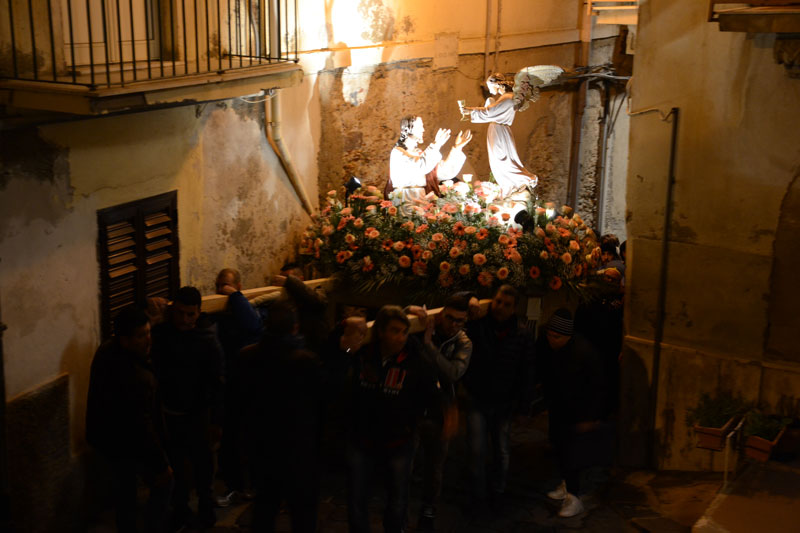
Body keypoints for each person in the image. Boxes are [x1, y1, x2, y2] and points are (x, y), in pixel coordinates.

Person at [333, 305, 439, 533]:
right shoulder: (362, 352)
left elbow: (430, 390)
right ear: (380, 331)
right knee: (356, 498)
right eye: (395, 331)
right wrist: (345, 342)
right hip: (361, 439)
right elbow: (339, 357)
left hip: (398, 441)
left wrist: (424, 419)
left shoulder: (414, 357)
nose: (401, 337)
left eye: (404, 332)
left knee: (397, 500)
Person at [85, 307, 172, 533]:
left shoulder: (108, 350)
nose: (149, 339)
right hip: (127, 444)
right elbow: (142, 425)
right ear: (124, 340)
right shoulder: (135, 376)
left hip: (109, 440)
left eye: (148, 332)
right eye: (141, 335)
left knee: (125, 497)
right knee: (159, 485)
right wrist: (160, 464)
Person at [243, 299, 326, 533]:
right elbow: (322, 404)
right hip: (299, 451)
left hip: (262, 448)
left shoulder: (248, 357)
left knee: (264, 508)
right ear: (295, 328)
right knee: (303, 515)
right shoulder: (306, 361)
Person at [151, 286, 225, 529]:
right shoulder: (162, 334)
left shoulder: (207, 340)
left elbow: (218, 382)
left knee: (202, 463)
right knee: (177, 463)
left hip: (198, 413)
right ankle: (180, 508)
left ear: (198, 313)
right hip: (170, 413)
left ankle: (205, 506)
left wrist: (216, 420)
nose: (184, 319)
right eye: (180, 313)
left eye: (190, 314)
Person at [461, 285, 535, 510]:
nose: (500, 307)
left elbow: (527, 373)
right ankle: (478, 496)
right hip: (478, 398)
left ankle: (498, 491)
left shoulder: (522, 334)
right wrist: (469, 297)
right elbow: (456, 304)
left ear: (514, 309)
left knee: (501, 450)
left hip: (504, 402)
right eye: (498, 301)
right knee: (476, 450)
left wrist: (524, 408)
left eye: (506, 304)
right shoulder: (478, 326)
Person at [405, 294, 473, 531]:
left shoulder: (463, 342)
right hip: (415, 404)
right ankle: (400, 510)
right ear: (442, 314)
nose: (453, 324)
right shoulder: (428, 326)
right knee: (406, 461)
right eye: (450, 318)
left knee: (435, 465)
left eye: (459, 321)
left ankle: (428, 511)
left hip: (442, 408)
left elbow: (453, 372)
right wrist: (409, 309)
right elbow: (396, 323)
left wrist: (429, 346)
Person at [537, 309, 612, 518]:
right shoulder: (551, 346)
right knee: (560, 447)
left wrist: (591, 417)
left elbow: (598, 387)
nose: (551, 340)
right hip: (560, 407)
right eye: (549, 335)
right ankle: (566, 484)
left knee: (573, 453)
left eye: (556, 337)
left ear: (567, 336)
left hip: (580, 411)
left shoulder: (584, 353)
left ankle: (574, 496)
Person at [213, 268, 263, 506]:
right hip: (228, 385)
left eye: (226, 284)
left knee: (249, 438)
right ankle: (235, 486)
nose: (221, 289)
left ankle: (251, 486)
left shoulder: (246, 307)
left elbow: (253, 325)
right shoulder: (218, 311)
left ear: (238, 286)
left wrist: (234, 296)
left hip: (248, 386)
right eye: (218, 285)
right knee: (230, 440)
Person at [461, 73, 539, 198]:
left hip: (499, 132)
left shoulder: (508, 97)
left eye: (489, 86)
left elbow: (490, 112)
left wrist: (470, 110)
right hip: (498, 130)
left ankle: (525, 180)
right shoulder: (506, 97)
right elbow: (491, 110)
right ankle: (508, 188)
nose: (489, 89)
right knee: (499, 161)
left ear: (496, 84)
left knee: (503, 160)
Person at [386, 115, 472, 208]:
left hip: (421, 198)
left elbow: (442, 172)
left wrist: (457, 148)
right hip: (404, 199)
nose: (423, 130)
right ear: (408, 129)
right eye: (419, 127)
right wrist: (436, 144)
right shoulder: (398, 152)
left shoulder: (419, 153)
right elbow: (420, 166)